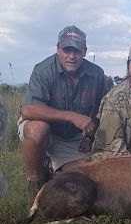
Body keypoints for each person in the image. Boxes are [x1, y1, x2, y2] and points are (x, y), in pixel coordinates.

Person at [18, 25, 107, 197]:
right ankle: (35, 182)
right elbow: (27, 110)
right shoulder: (43, 70)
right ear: (58, 49)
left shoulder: (97, 74)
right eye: (67, 50)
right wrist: (70, 116)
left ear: (85, 51)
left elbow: (100, 109)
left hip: (71, 138)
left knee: (83, 178)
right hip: (46, 131)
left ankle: (52, 171)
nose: (71, 56)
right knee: (38, 129)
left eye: (77, 51)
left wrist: (89, 135)